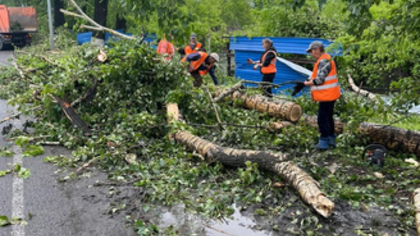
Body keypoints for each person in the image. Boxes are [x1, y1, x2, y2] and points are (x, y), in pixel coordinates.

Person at [301, 41, 341, 150]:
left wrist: (305, 84)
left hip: (327, 95)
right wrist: (307, 81)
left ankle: (324, 142)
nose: (311, 54)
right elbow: (315, 76)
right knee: (328, 117)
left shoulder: (324, 60)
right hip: (329, 94)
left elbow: (319, 80)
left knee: (322, 119)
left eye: (312, 51)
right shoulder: (325, 59)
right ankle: (331, 139)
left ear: (317, 49)